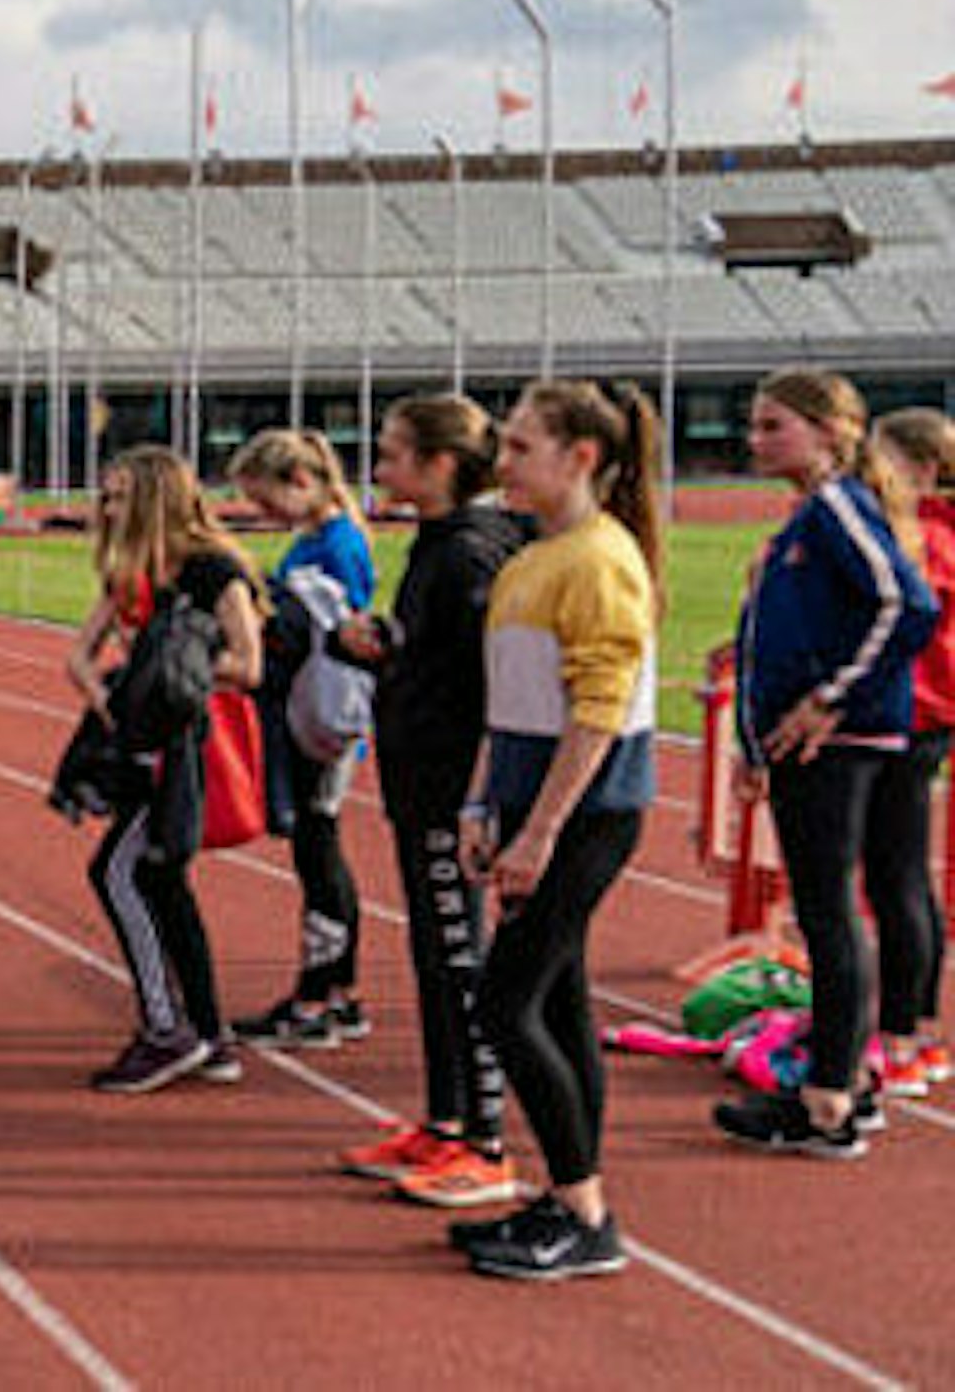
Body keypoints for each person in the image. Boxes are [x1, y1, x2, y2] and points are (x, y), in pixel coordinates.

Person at [456, 377, 664, 1281]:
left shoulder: (598, 557)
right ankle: (572, 1194)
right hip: (534, 805)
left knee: (507, 1002)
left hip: (585, 813)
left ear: (579, 458)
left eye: (518, 447)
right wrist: (479, 803)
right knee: (559, 998)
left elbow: (600, 710)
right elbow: (507, 706)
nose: (500, 461)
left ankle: (585, 1212)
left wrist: (539, 832)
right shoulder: (531, 559)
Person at [718, 367, 940, 1159]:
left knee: (828, 913)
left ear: (828, 431)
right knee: (831, 912)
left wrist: (830, 701)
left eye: (773, 425)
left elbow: (907, 606)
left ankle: (828, 1100)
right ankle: (847, 1084)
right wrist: (753, 740)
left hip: (838, 744)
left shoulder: (839, 507)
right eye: (753, 424)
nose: (755, 440)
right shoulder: (813, 516)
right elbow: (770, 638)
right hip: (817, 741)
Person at [331, 394, 532, 1210]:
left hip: (453, 792)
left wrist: (481, 797)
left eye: (392, 454)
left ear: (440, 465)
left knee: (461, 959)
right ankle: (446, 1117)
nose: (378, 469)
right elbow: (438, 663)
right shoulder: (441, 545)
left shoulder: (472, 552)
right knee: (433, 956)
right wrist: (384, 651)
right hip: (421, 784)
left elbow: (496, 679)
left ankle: (484, 1141)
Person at [63, 445, 264, 1092]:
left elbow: (248, 662)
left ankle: (165, 1029)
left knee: (118, 874)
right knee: (164, 882)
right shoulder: (131, 570)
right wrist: (106, 694)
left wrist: (172, 672)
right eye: (106, 496)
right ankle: (210, 1034)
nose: (109, 507)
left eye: (121, 496)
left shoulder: (211, 570)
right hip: (143, 745)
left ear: (156, 499)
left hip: (190, 745)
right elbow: (79, 652)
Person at [232, 427, 381, 1046]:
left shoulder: (338, 545)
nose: (265, 516)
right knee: (320, 852)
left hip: (324, 715)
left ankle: (318, 1000)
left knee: (319, 854)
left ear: (301, 482)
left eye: (268, 503)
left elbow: (340, 632)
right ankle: (338, 993)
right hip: (312, 709)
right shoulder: (321, 538)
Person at [871, 406, 955, 1097]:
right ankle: (918, 1030)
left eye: (885, 459)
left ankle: (903, 1037)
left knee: (894, 878)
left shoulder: (921, 536)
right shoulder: (941, 533)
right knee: (906, 878)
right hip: (928, 715)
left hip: (909, 715)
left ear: (923, 468)